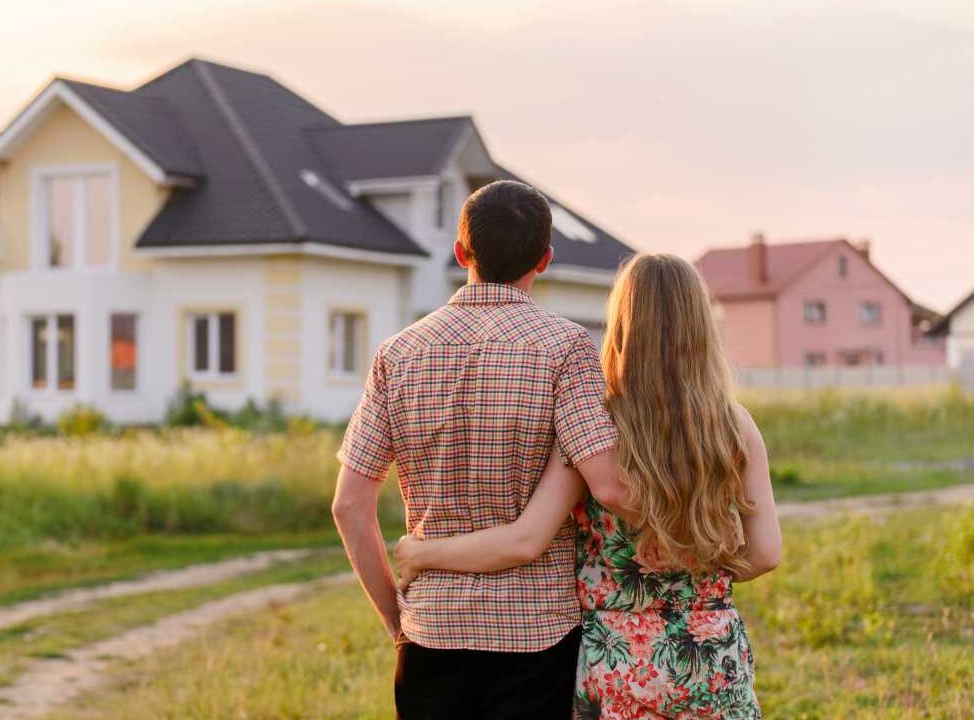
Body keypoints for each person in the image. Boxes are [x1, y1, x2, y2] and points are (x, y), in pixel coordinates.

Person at [394, 253, 783, 719]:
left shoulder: (592, 429)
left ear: (621, 326)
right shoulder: (735, 426)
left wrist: (422, 553)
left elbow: (524, 539)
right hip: (713, 653)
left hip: (619, 660)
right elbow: (766, 554)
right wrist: (699, 577)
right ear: (700, 328)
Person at [333, 180, 635, 719]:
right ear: (545, 258)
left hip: (431, 630)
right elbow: (608, 484)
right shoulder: (565, 348)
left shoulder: (396, 354)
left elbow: (350, 505)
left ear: (460, 252)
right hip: (537, 633)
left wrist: (395, 620)